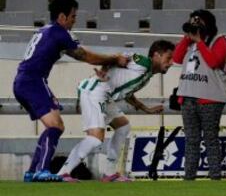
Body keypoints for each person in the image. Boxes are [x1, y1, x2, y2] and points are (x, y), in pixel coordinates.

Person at [13, 0, 129, 182]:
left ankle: (32, 172)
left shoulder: (46, 31)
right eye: (73, 16)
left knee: (54, 126)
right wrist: (114, 58)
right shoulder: (59, 33)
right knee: (56, 126)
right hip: (33, 82)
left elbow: (76, 54)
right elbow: (85, 56)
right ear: (62, 17)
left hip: (23, 82)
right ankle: (42, 171)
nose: (75, 20)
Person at [57, 40, 175, 182]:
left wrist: (146, 108)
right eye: (168, 58)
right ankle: (63, 173)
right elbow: (118, 57)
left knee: (123, 127)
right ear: (156, 55)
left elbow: (128, 93)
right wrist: (104, 71)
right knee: (95, 138)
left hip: (104, 95)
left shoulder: (146, 74)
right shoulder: (142, 62)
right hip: (95, 91)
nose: (171, 63)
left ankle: (110, 173)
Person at [173, 9, 226, 180]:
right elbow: (176, 58)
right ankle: (189, 177)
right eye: (192, 23)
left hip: (210, 98)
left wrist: (200, 42)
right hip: (188, 96)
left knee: (211, 139)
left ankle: (215, 176)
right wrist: (187, 37)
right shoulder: (189, 43)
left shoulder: (219, 40)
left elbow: (214, 62)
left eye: (198, 23)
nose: (194, 26)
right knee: (191, 140)